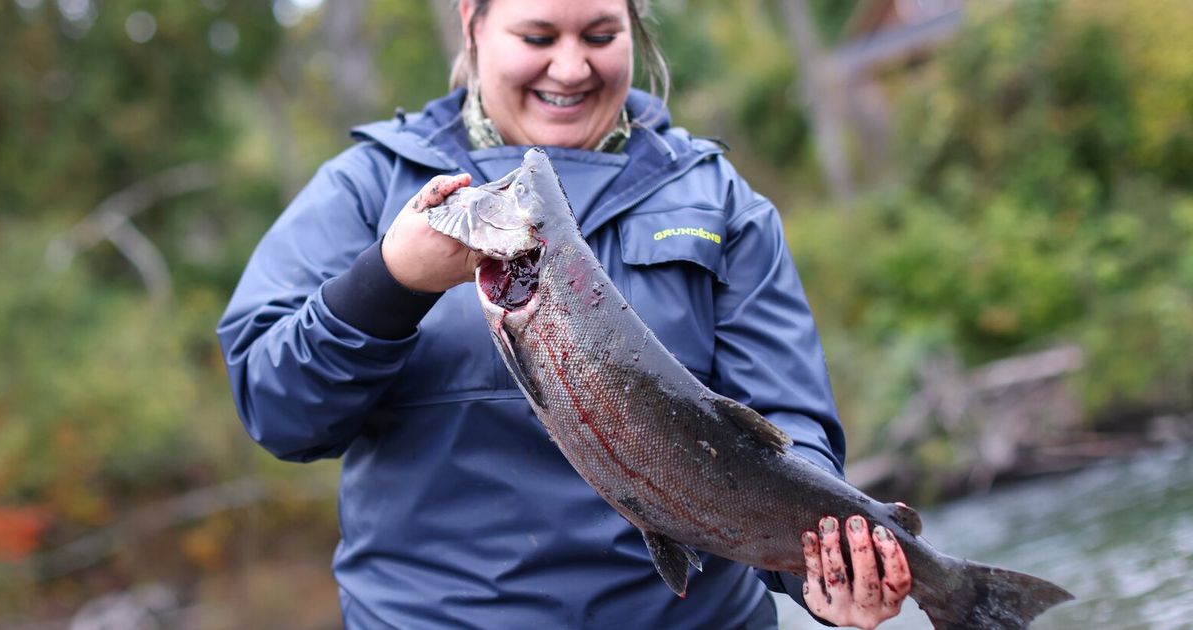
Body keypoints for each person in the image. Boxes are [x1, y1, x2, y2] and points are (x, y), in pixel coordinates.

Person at [217, 0, 912, 627]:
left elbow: (789, 430)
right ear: (472, 22)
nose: (573, 65)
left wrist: (821, 569)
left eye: (602, 34)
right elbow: (278, 409)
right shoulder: (364, 186)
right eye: (539, 35)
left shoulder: (719, 200)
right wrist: (392, 281)